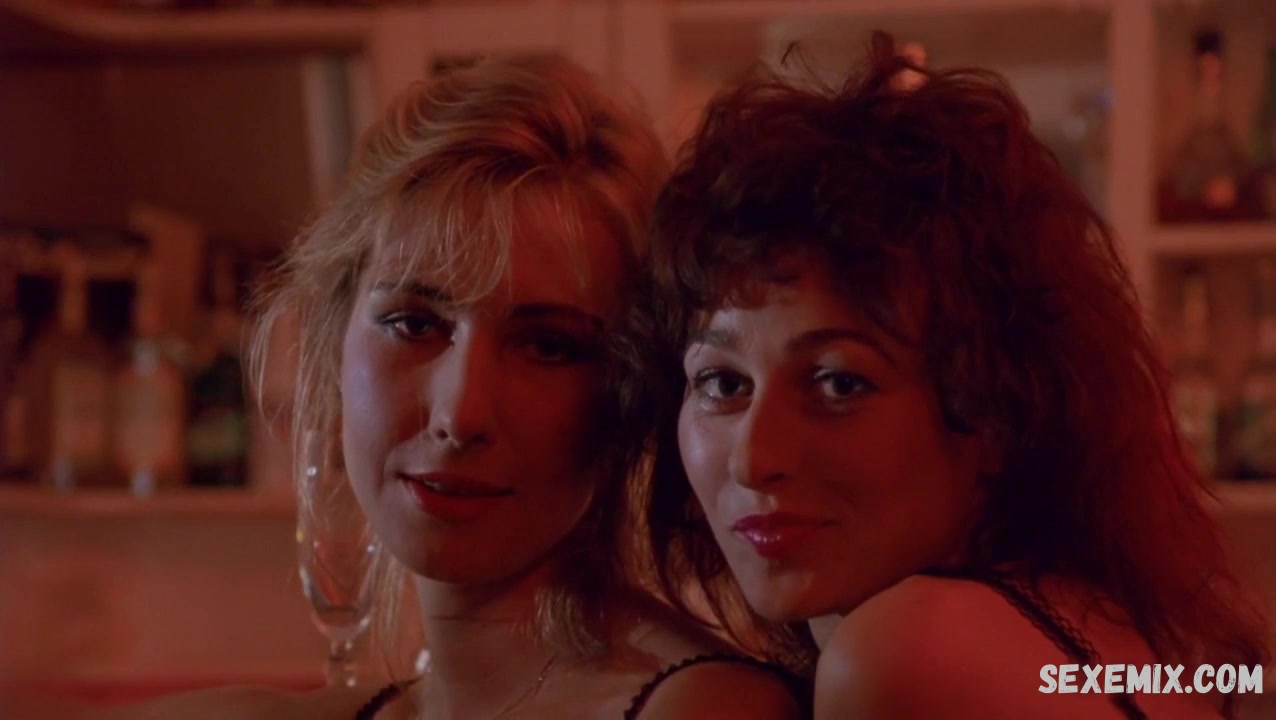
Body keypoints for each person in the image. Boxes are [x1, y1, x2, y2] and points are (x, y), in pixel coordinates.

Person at [102, 54, 808, 720]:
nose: (460, 412)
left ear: (630, 394)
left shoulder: (702, 707)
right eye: (414, 324)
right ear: (333, 335)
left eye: (548, 346)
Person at [635, 33, 1270, 720]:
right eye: (724, 384)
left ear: (998, 410)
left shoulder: (910, 654)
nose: (756, 459)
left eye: (838, 384)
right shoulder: (1097, 620)